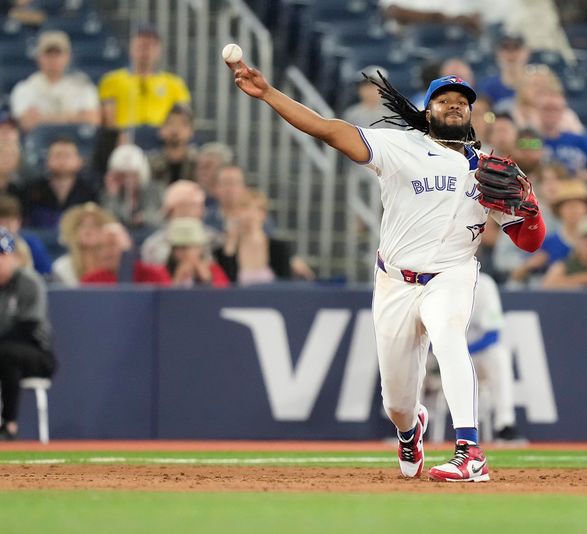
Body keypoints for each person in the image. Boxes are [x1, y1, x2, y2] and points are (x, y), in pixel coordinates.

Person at [228, 58, 546, 481]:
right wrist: (268, 93)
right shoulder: (399, 147)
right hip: (396, 280)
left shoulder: (488, 171)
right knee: (396, 402)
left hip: (452, 275)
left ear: (471, 114)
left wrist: (530, 207)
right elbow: (326, 128)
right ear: (426, 110)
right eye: (443, 100)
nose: (454, 106)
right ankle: (409, 429)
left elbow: (529, 241)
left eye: (461, 102)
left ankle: (470, 451)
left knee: (450, 337)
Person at [0, 228, 55, 441]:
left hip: (37, 353)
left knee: (7, 353)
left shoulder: (29, 282)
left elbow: (27, 327)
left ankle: (9, 424)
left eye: (2, 255)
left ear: (13, 256)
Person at [98, 24, 191, 128]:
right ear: (131, 47)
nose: (146, 50)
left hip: (161, 137)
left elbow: (183, 118)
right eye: (141, 45)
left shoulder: (175, 84)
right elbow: (109, 120)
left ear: (159, 50)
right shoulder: (112, 80)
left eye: (152, 46)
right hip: (125, 136)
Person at [464, 272, 521, 441]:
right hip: (439, 356)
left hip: (475, 353)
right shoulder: (434, 277)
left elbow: (493, 335)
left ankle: (505, 423)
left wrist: (462, 353)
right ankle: (409, 424)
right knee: (416, 352)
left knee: (498, 355)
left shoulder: (484, 284)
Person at [9, 31, 100, 132]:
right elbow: (27, 122)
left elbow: (92, 120)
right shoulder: (25, 88)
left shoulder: (83, 86)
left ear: (68, 57)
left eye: (58, 54)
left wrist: (43, 119)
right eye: (48, 54)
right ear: (39, 57)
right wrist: (74, 117)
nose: (53, 59)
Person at [504, 179, 587, 285]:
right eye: (568, 205)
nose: (574, 210)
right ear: (559, 210)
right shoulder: (547, 242)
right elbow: (519, 274)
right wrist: (528, 266)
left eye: (578, 205)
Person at [140, 180, 221, 265]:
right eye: (196, 206)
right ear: (178, 208)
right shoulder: (153, 246)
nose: (202, 211)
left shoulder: (213, 239)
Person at [21, 137, 97, 229]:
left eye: (67, 156)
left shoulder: (89, 191)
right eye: (57, 155)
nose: (62, 160)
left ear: (80, 161)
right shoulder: (32, 190)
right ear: (47, 161)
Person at [214, 188, 279, 285]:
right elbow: (226, 285)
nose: (251, 214)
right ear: (237, 213)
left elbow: (286, 286)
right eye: (245, 208)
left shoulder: (279, 248)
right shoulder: (223, 250)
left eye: (258, 209)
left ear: (264, 215)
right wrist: (229, 250)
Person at [539, 91, 587, 183]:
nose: (551, 113)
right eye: (547, 109)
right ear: (538, 111)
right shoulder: (533, 139)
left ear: (563, 112)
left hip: (575, 189)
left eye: (556, 109)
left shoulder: (579, 140)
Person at [51, 202, 115, 286]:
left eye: (95, 225)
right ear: (73, 231)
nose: (88, 229)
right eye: (82, 225)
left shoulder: (113, 265)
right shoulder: (62, 267)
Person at [100, 144, 162, 230]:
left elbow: (160, 219)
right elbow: (108, 222)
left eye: (132, 175)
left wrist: (144, 218)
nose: (127, 180)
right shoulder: (109, 194)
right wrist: (112, 195)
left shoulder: (154, 191)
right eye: (122, 175)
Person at [161, 217, 229, 288]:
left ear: (200, 248)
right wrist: (177, 280)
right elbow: (159, 296)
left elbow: (226, 295)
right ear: (172, 250)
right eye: (180, 247)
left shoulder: (214, 270)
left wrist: (208, 280)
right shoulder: (161, 272)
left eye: (190, 246)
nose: (186, 252)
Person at [0, 195, 51, 276]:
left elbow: (46, 274)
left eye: (9, 222)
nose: (5, 228)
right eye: (1, 223)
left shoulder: (31, 243)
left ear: (19, 222)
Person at [476, 34, 530, 109]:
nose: (511, 54)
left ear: (527, 53)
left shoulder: (536, 85)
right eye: (506, 49)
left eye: (516, 48)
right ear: (497, 54)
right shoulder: (488, 87)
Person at [148, 104, 197, 185]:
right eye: (170, 123)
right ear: (160, 130)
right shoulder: (150, 165)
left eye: (182, 124)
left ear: (192, 131)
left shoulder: (198, 165)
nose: (175, 129)